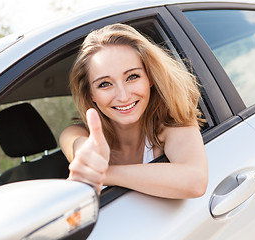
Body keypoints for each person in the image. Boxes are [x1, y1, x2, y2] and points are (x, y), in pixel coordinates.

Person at [59, 23, 208, 199]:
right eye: (105, 84)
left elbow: (195, 182)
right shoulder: (78, 132)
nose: (123, 96)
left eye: (132, 77)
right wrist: (87, 158)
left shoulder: (172, 124)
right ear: (91, 95)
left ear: (150, 78)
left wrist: (105, 174)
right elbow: (78, 147)